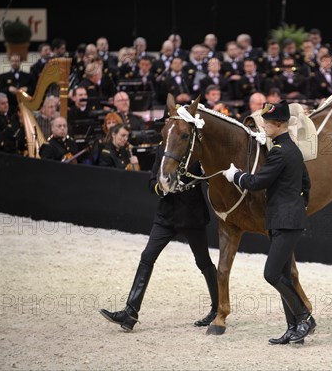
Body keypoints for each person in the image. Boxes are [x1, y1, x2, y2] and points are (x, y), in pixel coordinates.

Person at [222, 100, 315, 345]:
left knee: (271, 273)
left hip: (285, 221)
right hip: (285, 219)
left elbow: (256, 183)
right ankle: (293, 328)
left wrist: (235, 176)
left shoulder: (280, 152)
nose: (263, 126)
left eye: (266, 123)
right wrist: (298, 207)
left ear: (278, 124)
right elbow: (306, 183)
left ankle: (304, 317)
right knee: (283, 274)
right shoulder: (290, 149)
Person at [99, 143, 217, 331]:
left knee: (203, 261)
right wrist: (161, 188)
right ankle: (130, 312)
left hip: (191, 214)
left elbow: (210, 176)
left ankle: (218, 308)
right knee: (147, 257)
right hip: (167, 214)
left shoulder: (196, 147)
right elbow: (152, 181)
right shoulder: (163, 148)